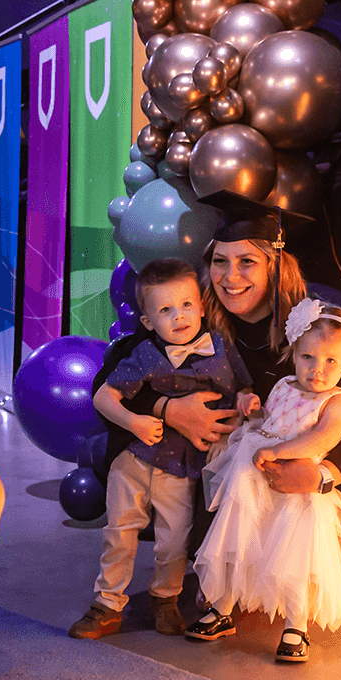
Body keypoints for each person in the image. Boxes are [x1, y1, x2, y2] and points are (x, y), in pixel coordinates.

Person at [98, 194, 341, 642]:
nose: (229, 277)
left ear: (274, 264)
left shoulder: (313, 327)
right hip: (219, 474)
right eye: (219, 261)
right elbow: (114, 375)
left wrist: (318, 474)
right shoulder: (191, 314)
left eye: (246, 262)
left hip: (296, 481)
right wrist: (168, 410)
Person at [69, 259, 251, 641]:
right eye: (165, 310)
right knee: (120, 531)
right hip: (135, 458)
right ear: (149, 321)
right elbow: (104, 396)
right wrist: (133, 421)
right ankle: (107, 603)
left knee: (174, 540)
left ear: (202, 306)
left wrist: (250, 403)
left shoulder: (222, 348)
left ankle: (165, 599)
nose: (179, 317)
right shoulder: (145, 354)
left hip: (181, 467)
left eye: (186, 305)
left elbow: (244, 389)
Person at [194, 300, 341, 662]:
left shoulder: (337, 401)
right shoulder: (285, 384)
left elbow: (324, 438)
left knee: (293, 560)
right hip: (255, 478)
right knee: (240, 542)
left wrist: (283, 450)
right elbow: (269, 420)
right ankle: (223, 608)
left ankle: (295, 626)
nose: (317, 370)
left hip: (297, 492)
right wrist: (256, 411)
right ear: (294, 354)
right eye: (308, 358)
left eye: (331, 361)